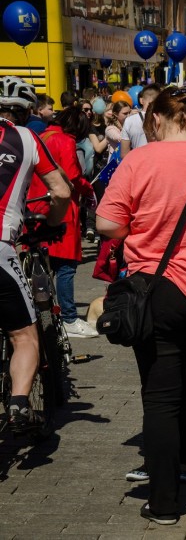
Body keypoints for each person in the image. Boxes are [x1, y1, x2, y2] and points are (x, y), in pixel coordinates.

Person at [96, 88, 186, 527]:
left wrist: (139, 226)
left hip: (156, 292)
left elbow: (106, 223)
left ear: (158, 120)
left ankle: (163, 504)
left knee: (160, 401)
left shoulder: (139, 162)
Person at [0, 77, 71, 433]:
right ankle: (18, 404)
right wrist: (53, 225)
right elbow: (60, 190)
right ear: (28, 112)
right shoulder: (27, 138)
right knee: (24, 336)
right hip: (0, 246)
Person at [27, 107, 98, 338]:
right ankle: (68, 318)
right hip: (62, 209)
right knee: (66, 268)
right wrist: (89, 190)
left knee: (39, 268)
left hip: (36, 205)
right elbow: (73, 177)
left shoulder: (42, 136)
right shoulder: (65, 140)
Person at [120, 83, 162, 157]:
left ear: (141, 100)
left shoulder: (129, 120)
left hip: (137, 164)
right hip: (158, 164)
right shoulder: (163, 119)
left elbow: (124, 155)